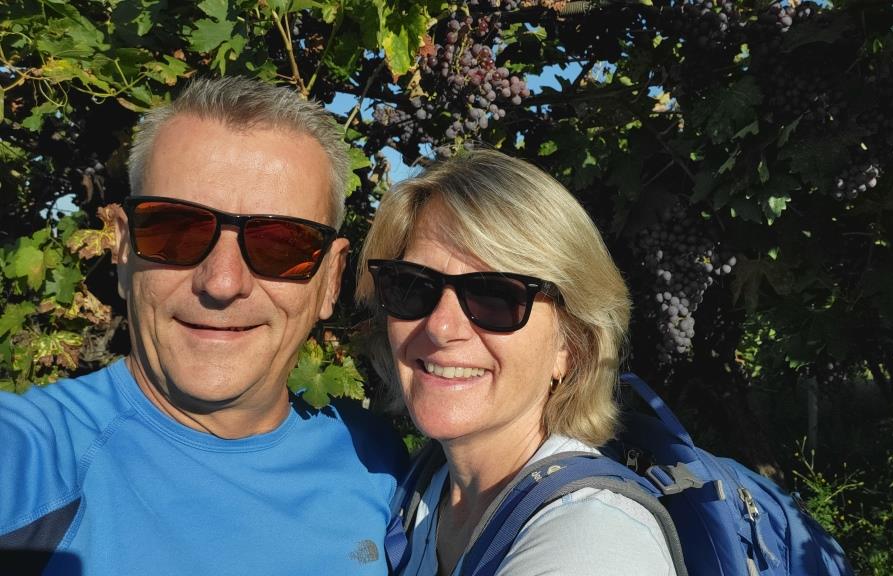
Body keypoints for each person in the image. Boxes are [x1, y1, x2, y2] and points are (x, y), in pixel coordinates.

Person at [0, 76, 405, 575]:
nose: (222, 282)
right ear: (123, 248)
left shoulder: (376, 464)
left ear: (330, 279)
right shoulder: (32, 457)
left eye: (281, 243)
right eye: (176, 230)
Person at [355, 149, 678, 575]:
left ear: (571, 346)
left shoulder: (594, 542)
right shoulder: (420, 490)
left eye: (495, 296)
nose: (440, 327)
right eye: (412, 286)